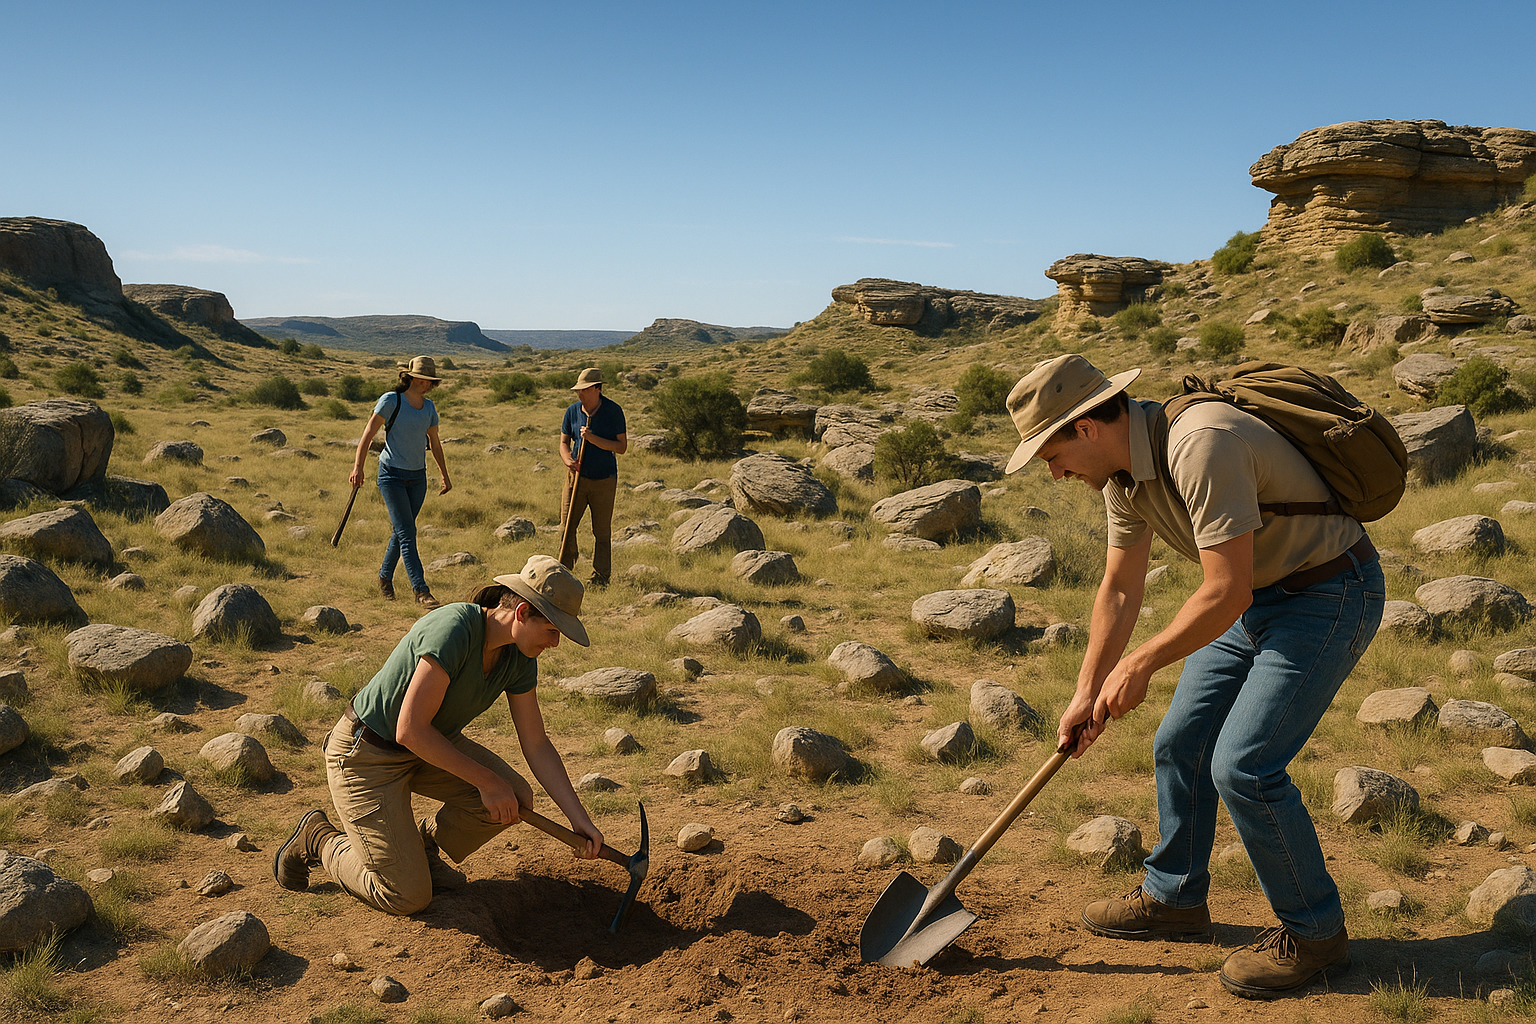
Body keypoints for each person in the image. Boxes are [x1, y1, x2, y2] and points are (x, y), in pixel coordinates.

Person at [1004, 354, 1384, 999]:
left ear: (1087, 428)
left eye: (1051, 452)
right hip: (1258, 599)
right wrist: (1086, 689)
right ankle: (1175, 897)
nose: (1055, 469)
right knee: (1181, 743)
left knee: (1246, 766)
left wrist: (1141, 662)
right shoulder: (1123, 477)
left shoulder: (1202, 444)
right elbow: (1120, 587)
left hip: (1327, 594)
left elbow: (1225, 588)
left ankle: (1315, 936)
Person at [272, 555, 605, 916]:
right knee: (407, 896)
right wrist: (486, 781)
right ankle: (320, 839)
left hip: (427, 748)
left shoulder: (520, 656)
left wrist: (579, 819)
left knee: (517, 798)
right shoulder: (455, 629)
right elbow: (410, 729)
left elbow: (537, 743)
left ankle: (422, 847)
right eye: (553, 630)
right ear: (522, 612)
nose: (555, 643)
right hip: (366, 755)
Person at [350, 356, 453, 607]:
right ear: (413, 378)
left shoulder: (429, 408)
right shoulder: (390, 400)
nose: (429, 385)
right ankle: (421, 590)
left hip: (417, 478)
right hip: (391, 475)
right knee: (408, 533)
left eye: (432, 381)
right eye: (426, 380)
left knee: (401, 531)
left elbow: (435, 444)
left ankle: (384, 577)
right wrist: (358, 467)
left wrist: (444, 475)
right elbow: (367, 435)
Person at [558, 367, 627, 586]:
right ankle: (564, 571)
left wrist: (592, 438)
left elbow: (621, 447)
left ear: (597, 389)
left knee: (601, 531)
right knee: (566, 526)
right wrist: (568, 459)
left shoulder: (613, 412)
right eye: (578, 390)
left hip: (604, 480)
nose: (580, 394)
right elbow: (563, 442)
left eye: (584, 389)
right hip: (575, 479)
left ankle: (601, 577)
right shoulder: (572, 411)